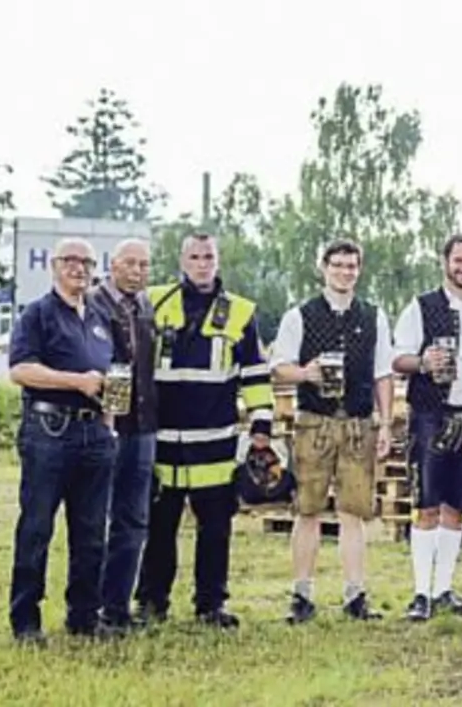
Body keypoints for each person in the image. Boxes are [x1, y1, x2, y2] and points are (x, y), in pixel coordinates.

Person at [136, 233, 273, 629]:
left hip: (215, 439)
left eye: (208, 256)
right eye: (194, 256)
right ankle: (151, 601)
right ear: (182, 260)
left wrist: (261, 425)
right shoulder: (154, 302)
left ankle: (211, 604)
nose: (201, 263)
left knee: (215, 527)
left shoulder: (240, 312)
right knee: (159, 526)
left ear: (218, 260)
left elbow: (254, 372)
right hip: (162, 439)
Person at [268, 239, 397, 623]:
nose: (345, 272)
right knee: (307, 509)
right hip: (315, 421)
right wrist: (306, 373)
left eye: (352, 265)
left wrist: (386, 422)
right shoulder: (300, 315)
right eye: (338, 265)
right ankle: (302, 594)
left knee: (353, 511)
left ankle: (355, 594)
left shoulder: (373, 316)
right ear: (323, 268)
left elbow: (382, 374)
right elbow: (279, 366)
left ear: (359, 269)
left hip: (358, 422)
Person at [4, 238, 118, 644]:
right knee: (37, 528)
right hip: (49, 432)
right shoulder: (38, 315)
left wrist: (109, 416)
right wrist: (76, 381)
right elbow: (20, 370)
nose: (79, 269)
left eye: (86, 262)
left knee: (91, 532)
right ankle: (26, 622)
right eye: (70, 261)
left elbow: (112, 375)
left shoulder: (101, 318)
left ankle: (85, 616)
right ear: (54, 266)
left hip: (95, 434)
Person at [392, 233, 462, 621]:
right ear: (445, 262)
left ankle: (443, 589)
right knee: (426, 506)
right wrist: (423, 362)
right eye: (458, 261)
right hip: (430, 414)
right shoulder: (421, 306)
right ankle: (421, 592)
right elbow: (397, 357)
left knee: (457, 507)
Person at [87, 238, 157, 635]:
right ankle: (88, 609)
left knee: (134, 520)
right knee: (95, 519)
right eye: (130, 263)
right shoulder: (95, 303)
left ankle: (117, 608)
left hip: (143, 425)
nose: (137, 271)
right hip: (104, 425)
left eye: (144, 265)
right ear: (113, 265)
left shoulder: (145, 305)